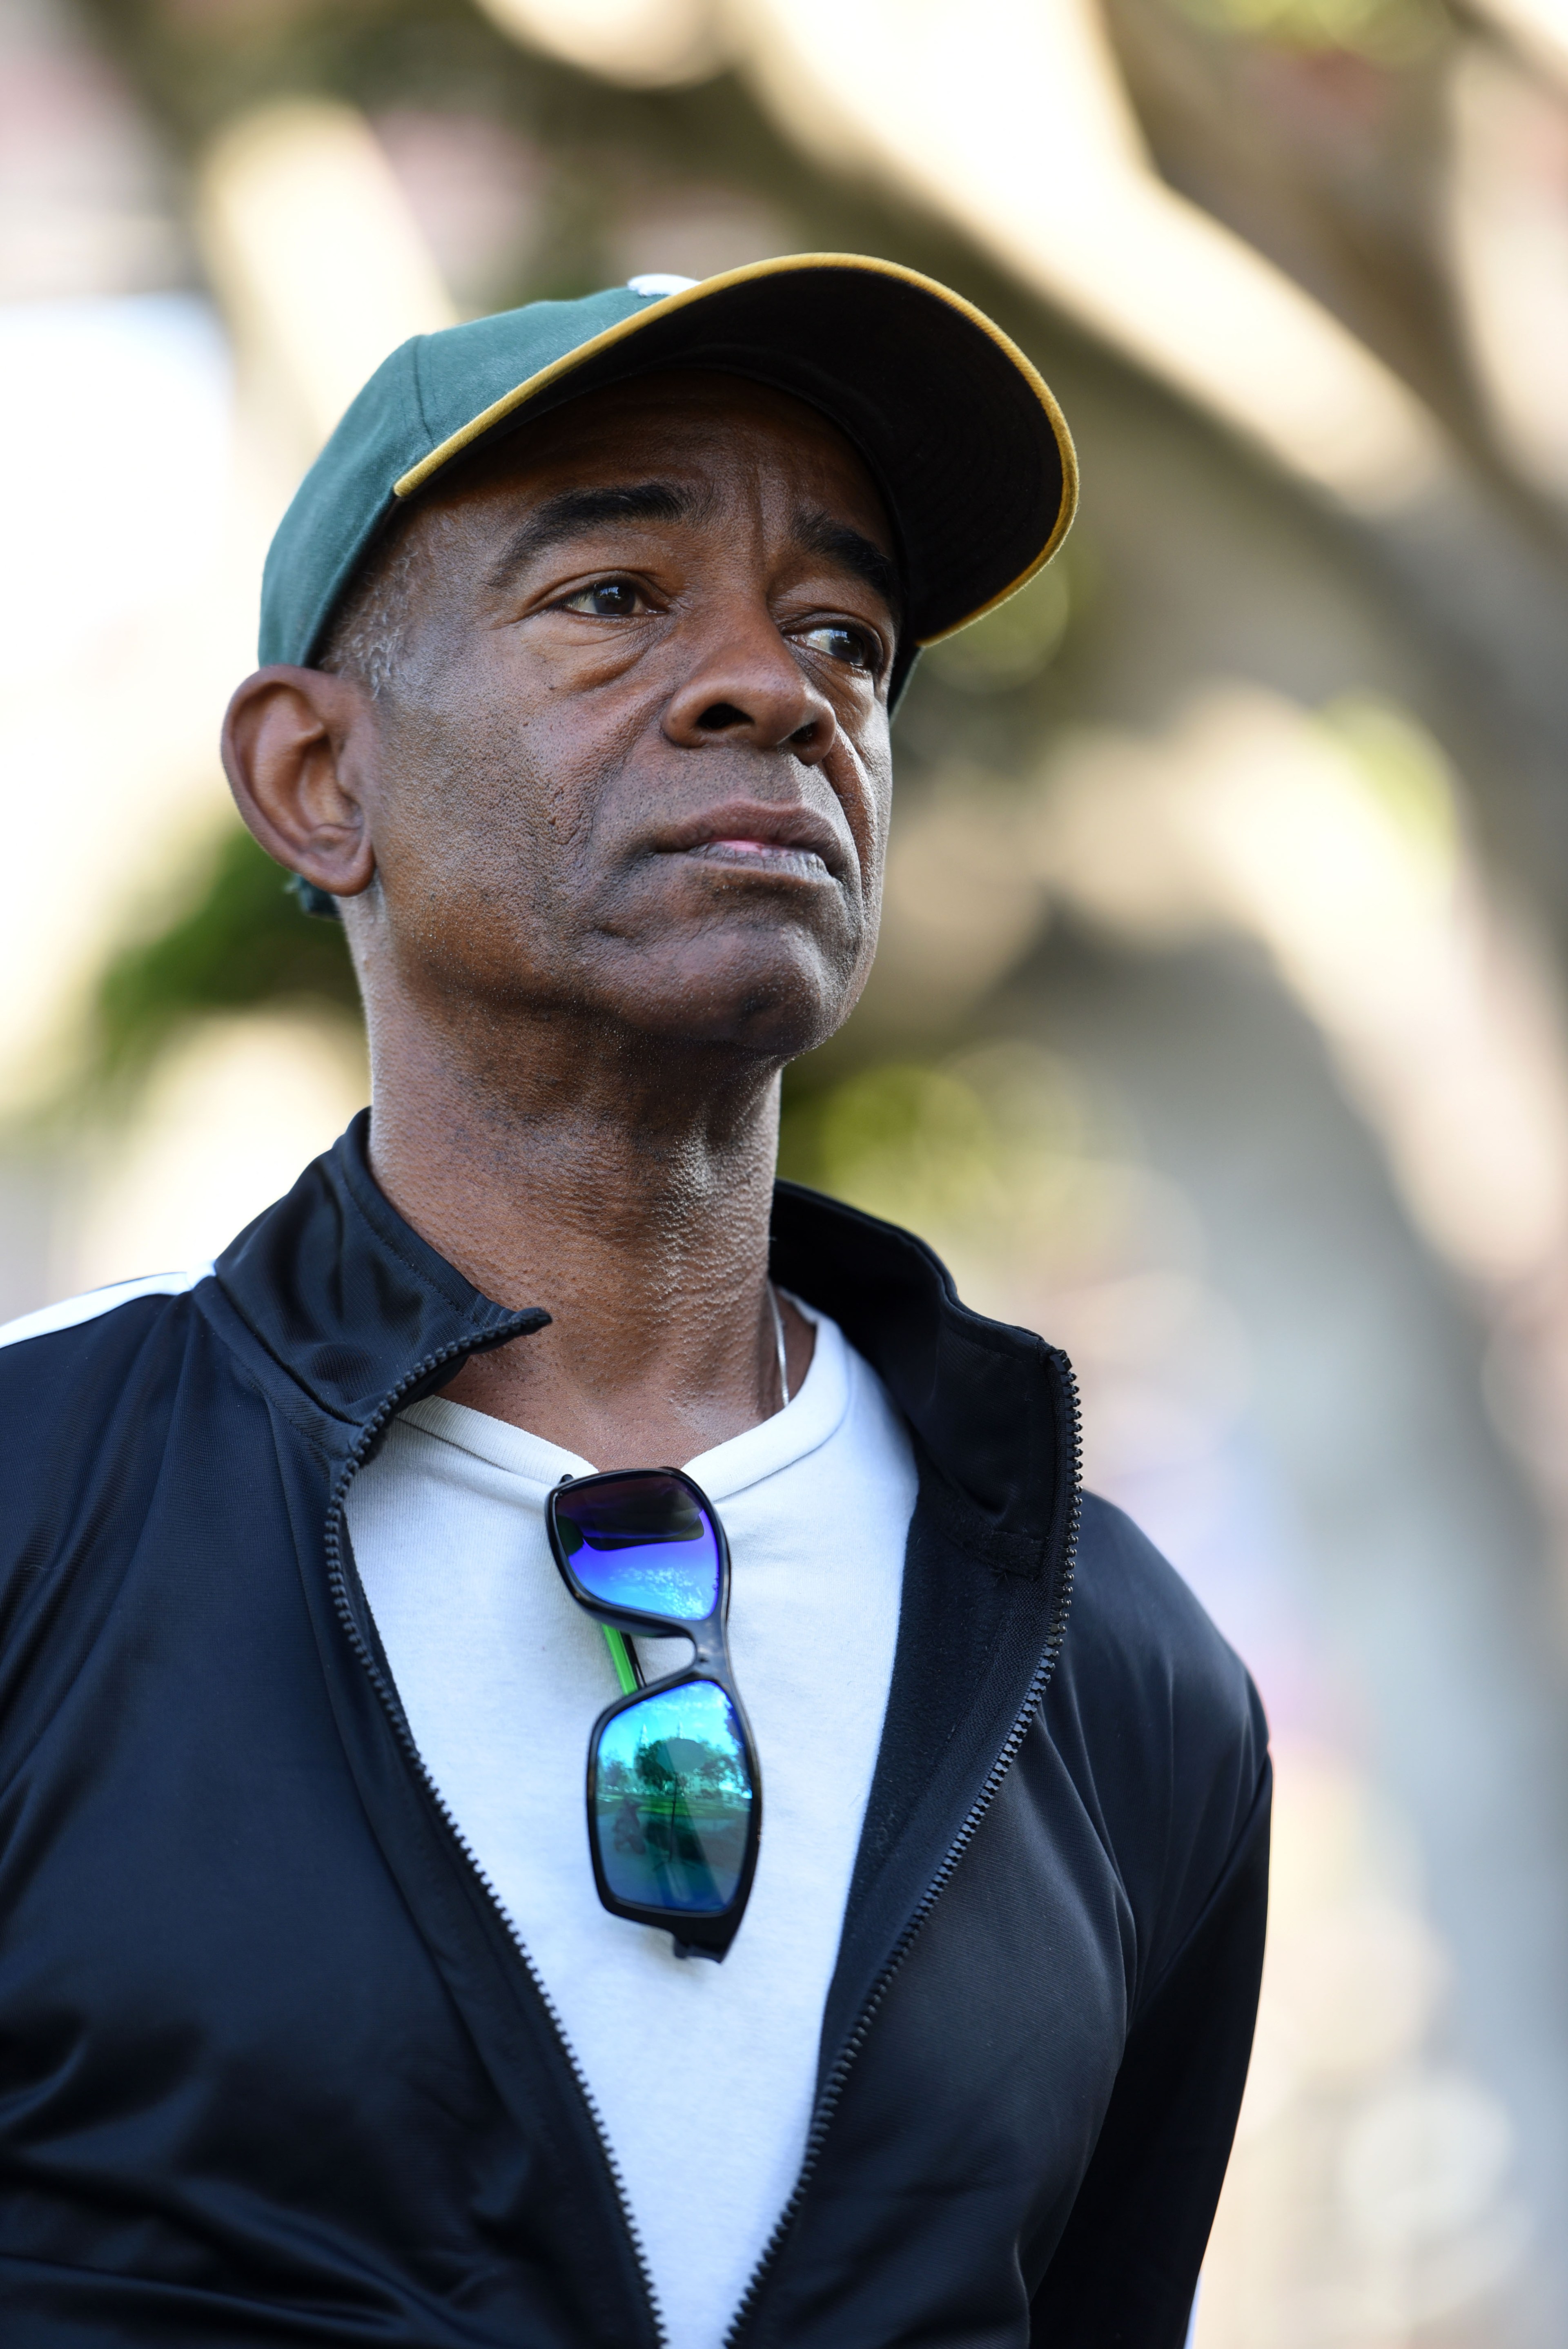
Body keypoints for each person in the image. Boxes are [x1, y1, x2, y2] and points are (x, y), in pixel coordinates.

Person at [0, 257, 1268, 2347]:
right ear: (321, 778)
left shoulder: (1117, 1660)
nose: (773, 687)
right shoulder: (41, 1508)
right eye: (615, 598)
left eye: (846, 636)